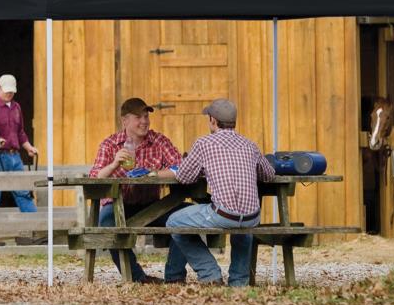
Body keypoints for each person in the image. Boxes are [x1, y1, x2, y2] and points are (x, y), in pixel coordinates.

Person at [156, 98, 274, 286]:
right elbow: (268, 174)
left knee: (174, 222)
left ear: (212, 120)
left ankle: (210, 273)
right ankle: (239, 282)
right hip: (253, 216)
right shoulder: (250, 145)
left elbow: (185, 177)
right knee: (242, 225)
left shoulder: (204, 143)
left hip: (223, 214)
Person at [89, 97, 182, 284]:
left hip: (153, 206)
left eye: (146, 116)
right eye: (138, 117)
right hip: (119, 205)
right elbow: (94, 180)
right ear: (125, 121)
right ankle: (137, 278)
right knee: (106, 225)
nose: (144, 121)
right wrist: (115, 163)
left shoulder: (159, 141)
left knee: (185, 217)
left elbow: (181, 168)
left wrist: (154, 174)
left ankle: (175, 277)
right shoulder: (110, 144)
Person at [0, 74, 39, 212]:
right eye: (7, 90)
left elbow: (20, 132)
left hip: (15, 156)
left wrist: (29, 147)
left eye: (12, 91)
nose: (10, 93)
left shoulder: (17, 107)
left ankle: (34, 228)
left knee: (23, 192)